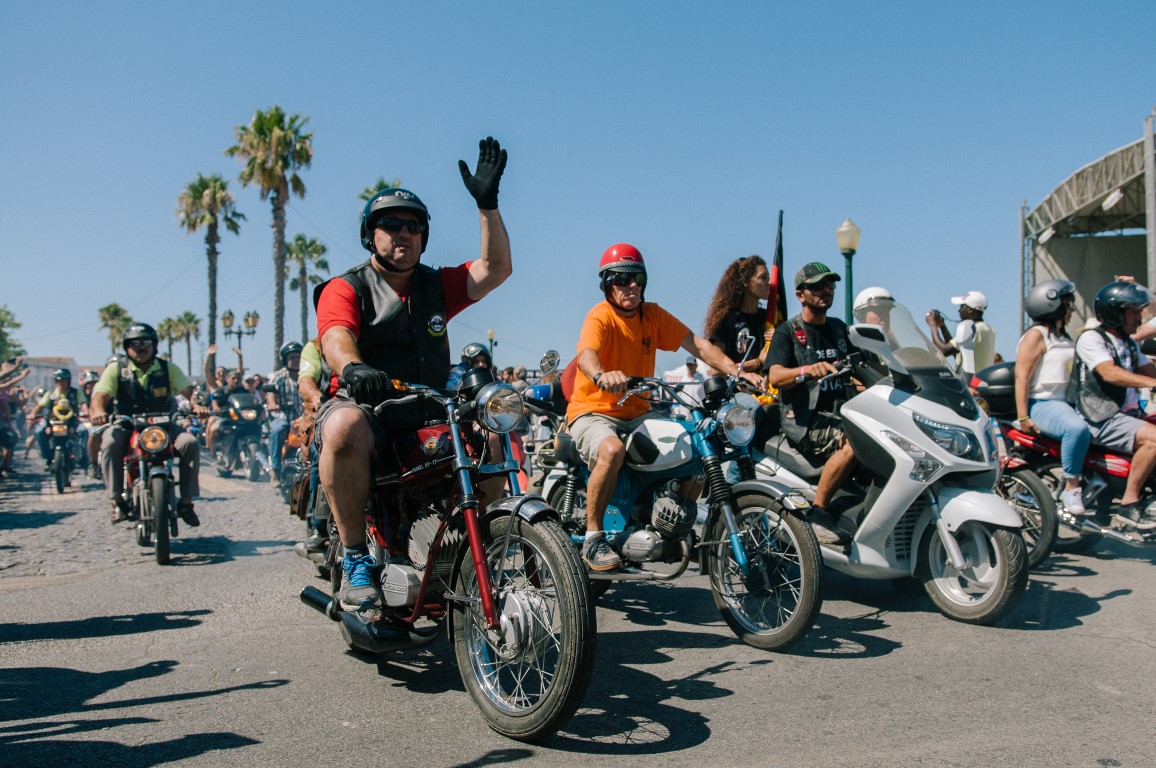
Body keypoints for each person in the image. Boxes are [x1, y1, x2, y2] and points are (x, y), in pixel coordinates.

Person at [314, 136, 510, 610]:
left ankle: (476, 551)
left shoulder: (435, 285)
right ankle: (357, 556)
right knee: (343, 426)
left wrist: (487, 204)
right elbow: (336, 337)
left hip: (427, 408)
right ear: (370, 235)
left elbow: (496, 269)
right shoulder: (346, 286)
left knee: (493, 432)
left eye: (414, 227)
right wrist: (353, 367)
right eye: (391, 225)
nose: (403, 234)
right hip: (368, 407)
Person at [566, 243, 764, 571]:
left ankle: (672, 526)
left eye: (638, 278)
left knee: (698, 448)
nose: (631, 286)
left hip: (638, 411)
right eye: (621, 279)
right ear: (606, 284)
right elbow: (588, 354)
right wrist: (602, 374)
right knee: (612, 449)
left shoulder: (653, 315)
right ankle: (593, 538)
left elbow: (698, 344)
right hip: (594, 410)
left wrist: (738, 371)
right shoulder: (599, 316)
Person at [765, 262, 858, 544]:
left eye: (829, 285)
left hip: (845, 411)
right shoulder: (788, 331)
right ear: (800, 294)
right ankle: (819, 511)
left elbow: (860, 370)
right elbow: (775, 376)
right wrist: (805, 370)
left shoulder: (840, 329)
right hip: (805, 420)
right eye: (817, 286)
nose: (826, 290)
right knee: (855, 440)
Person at [89, 323, 207, 525]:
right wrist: (99, 411)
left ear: (154, 345)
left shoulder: (166, 368)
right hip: (126, 425)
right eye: (135, 343)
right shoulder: (116, 370)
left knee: (190, 443)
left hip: (164, 426)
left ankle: (186, 503)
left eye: (146, 342)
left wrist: (197, 404)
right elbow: (100, 395)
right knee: (109, 444)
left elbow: (188, 390)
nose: (141, 347)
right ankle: (117, 500)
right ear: (127, 347)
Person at [1070, 281, 1156, 530]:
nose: (1138, 318)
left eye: (1140, 312)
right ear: (1114, 312)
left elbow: (1150, 370)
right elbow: (1109, 373)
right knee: (1154, 439)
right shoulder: (1092, 339)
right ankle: (1129, 504)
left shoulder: (1129, 343)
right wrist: (1151, 382)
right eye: (1133, 312)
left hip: (1128, 416)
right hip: (1101, 416)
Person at [1013, 279, 1090, 515]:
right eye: (1068, 304)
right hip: (1042, 403)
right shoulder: (1036, 335)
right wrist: (1023, 415)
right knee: (1076, 430)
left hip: (1066, 404)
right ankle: (1071, 486)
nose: (1072, 309)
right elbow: (1021, 377)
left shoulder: (1064, 338)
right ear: (1052, 305)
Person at [704, 254, 772, 374]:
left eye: (768, 277)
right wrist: (758, 362)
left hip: (767, 390)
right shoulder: (726, 319)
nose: (769, 282)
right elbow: (716, 370)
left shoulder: (768, 318)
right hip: (736, 390)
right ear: (746, 282)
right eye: (763, 277)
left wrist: (779, 338)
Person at [926, 290, 996, 376]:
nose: (959, 311)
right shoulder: (985, 328)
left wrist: (932, 325)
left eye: (961, 307)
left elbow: (943, 350)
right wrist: (942, 326)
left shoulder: (973, 329)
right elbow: (956, 351)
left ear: (970, 310)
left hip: (971, 386)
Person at [27, 369, 83, 470]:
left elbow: (83, 404)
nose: (60, 383)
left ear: (68, 381)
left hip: (72, 422)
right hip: (53, 423)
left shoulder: (76, 392)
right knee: (39, 431)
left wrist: (86, 412)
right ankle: (48, 457)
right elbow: (40, 406)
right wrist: (32, 414)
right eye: (57, 381)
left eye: (63, 380)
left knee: (83, 431)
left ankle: (82, 458)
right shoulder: (51, 394)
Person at [267, 341, 303, 483]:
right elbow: (270, 393)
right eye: (291, 357)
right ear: (285, 359)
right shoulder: (279, 376)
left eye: (298, 357)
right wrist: (272, 404)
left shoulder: (307, 375)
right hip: (283, 416)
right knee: (277, 429)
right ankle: (275, 470)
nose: (295, 360)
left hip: (303, 417)